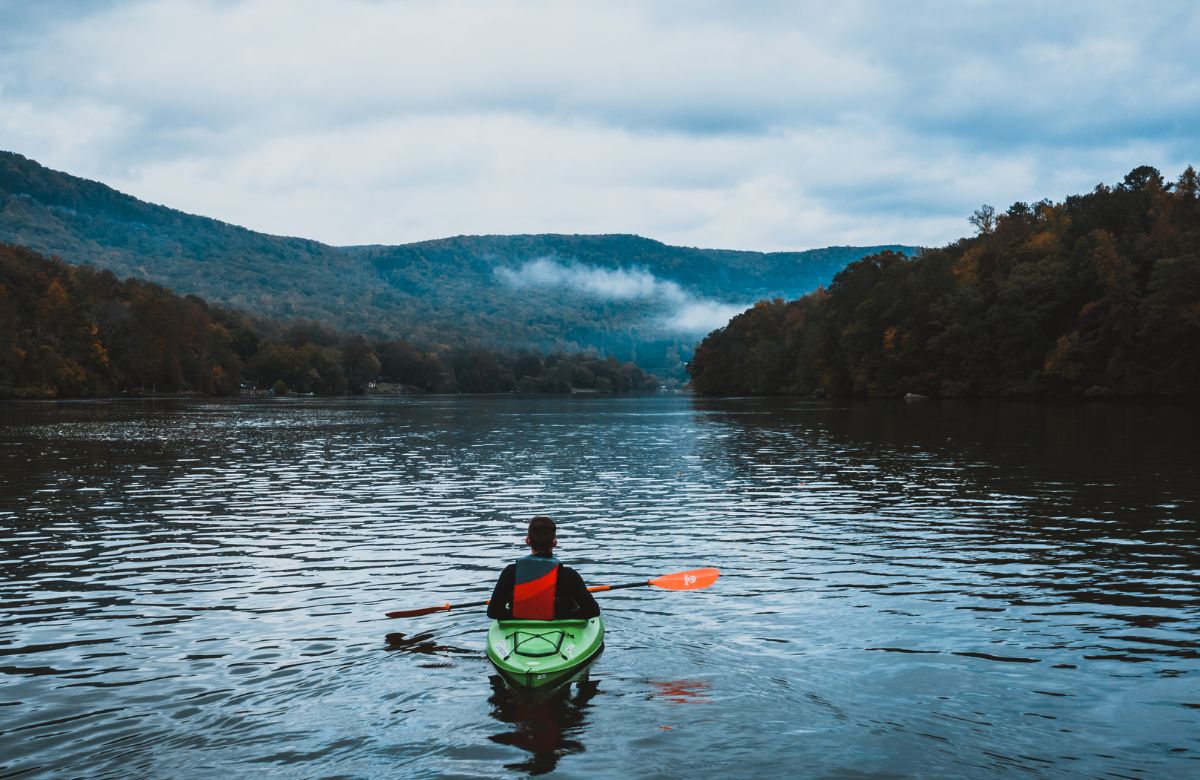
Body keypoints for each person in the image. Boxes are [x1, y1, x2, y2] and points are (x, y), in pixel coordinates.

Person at [487, 516, 600, 620]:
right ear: (554, 543)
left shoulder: (510, 572)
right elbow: (592, 611)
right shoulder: (569, 575)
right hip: (561, 629)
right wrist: (563, 616)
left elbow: (493, 612)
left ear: (528, 541)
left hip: (518, 627)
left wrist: (515, 615)